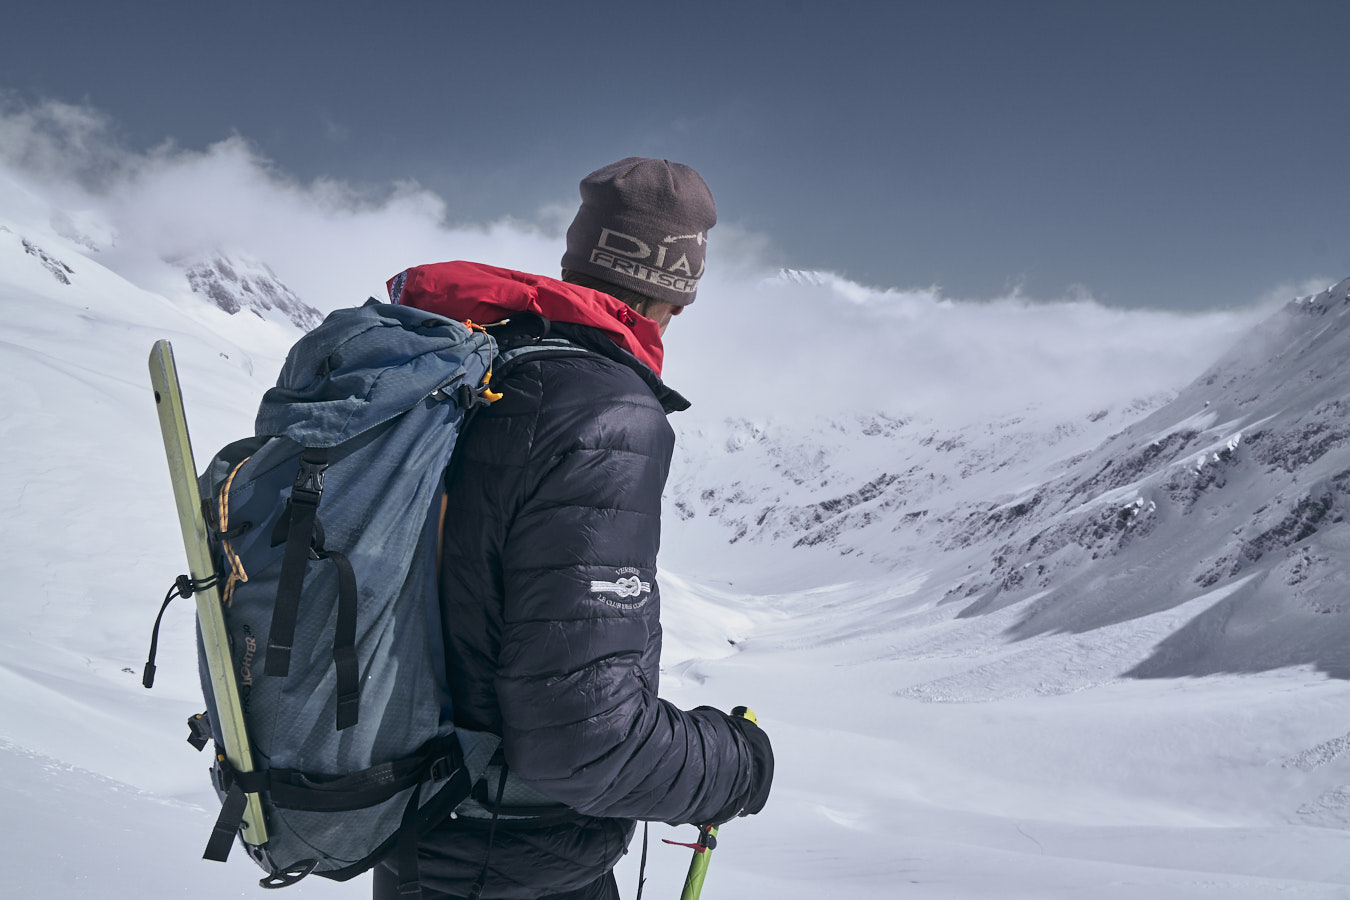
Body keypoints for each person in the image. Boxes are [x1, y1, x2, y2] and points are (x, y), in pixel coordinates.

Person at [373, 158, 774, 899]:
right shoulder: (604, 415)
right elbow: (583, 744)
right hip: (518, 860)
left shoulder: (484, 368)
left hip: (419, 838)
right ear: (676, 295)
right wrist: (738, 764)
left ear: (576, 259)